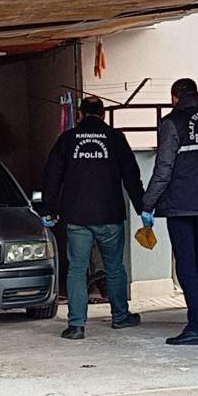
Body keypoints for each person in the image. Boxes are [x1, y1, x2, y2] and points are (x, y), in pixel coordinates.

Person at [42, 96, 147, 340]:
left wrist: (48, 209)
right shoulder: (115, 138)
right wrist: (143, 207)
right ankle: (120, 317)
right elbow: (132, 175)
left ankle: (76, 326)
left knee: (77, 270)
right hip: (109, 215)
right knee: (114, 268)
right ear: (103, 114)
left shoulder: (67, 139)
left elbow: (52, 176)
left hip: (77, 217)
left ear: (79, 114)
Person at [141, 78, 198, 346]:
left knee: (186, 265)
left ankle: (195, 327)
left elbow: (163, 169)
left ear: (175, 98)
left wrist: (148, 203)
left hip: (180, 204)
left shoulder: (172, 123)